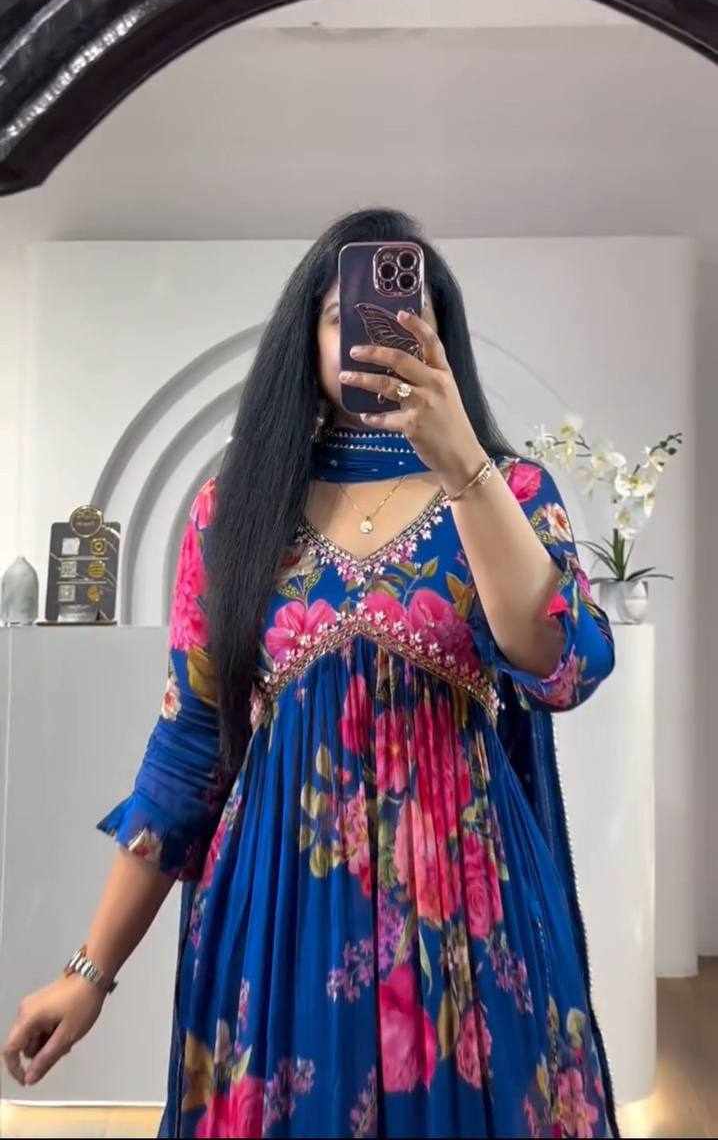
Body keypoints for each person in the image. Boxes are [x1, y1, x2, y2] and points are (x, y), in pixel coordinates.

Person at [2, 207, 620, 1139]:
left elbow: (561, 667)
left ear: (443, 339)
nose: (373, 333)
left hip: (468, 921)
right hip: (281, 921)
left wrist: (464, 465)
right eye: (343, 315)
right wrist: (89, 972)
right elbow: (189, 752)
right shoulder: (236, 510)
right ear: (307, 338)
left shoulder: (511, 492)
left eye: (408, 316)